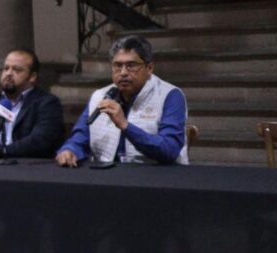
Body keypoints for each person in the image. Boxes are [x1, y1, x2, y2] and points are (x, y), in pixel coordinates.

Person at [57, 36, 188, 167]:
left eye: (131, 65)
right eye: (117, 66)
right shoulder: (100, 96)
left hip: (155, 176)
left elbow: (169, 150)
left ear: (149, 68)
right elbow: (80, 137)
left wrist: (125, 126)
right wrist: (70, 150)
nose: (123, 72)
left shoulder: (170, 96)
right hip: (108, 176)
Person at [0, 49, 64, 160]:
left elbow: (39, 142)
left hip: (27, 168)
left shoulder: (47, 103)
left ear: (32, 77)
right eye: (6, 68)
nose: (8, 73)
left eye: (17, 70)